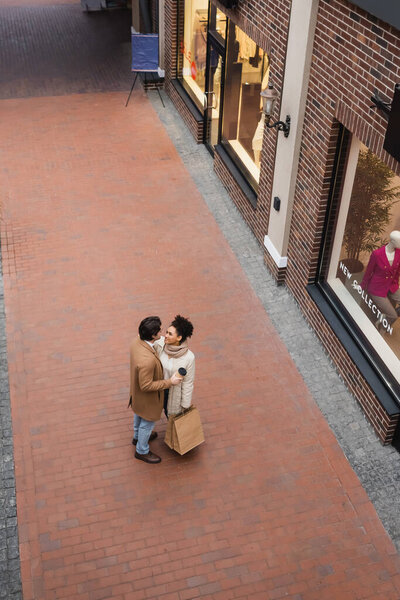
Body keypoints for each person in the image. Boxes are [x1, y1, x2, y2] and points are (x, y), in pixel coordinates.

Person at [129, 316, 181, 464]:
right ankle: (142, 450)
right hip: (148, 398)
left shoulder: (136, 342)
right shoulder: (148, 361)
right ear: (153, 336)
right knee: (147, 422)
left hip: (137, 395)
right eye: (159, 331)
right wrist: (169, 382)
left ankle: (137, 436)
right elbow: (146, 385)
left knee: (138, 413)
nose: (162, 333)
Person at [155, 315, 195, 418]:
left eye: (170, 334)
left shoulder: (188, 357)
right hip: (158, 387)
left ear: (179, 338)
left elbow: (188, 382)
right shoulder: (160, 344)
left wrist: (185, 405)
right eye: (166, 332)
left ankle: (173, 434)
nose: (166, 336)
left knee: (172, 417)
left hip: (172, 392)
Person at [361, 230, 400, 329]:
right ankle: (382, 325)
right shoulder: (377, 254)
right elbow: (368, 272)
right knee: (393, 316)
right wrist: (361, 286)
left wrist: (396, 284)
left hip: (391, 285)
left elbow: (397, 271)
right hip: (376, 289)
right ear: (393, 242)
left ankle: (385, 315)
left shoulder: (398, 253)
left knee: (393, 312)